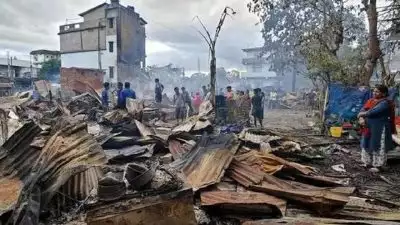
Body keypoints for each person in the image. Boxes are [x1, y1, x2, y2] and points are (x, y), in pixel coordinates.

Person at [358, 85, 396, 173]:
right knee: (366, 143)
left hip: (379, 127)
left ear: (384, 93)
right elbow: (362, 109)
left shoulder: (386, 102)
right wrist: (361, 118)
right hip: (368, 127)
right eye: (374, 91)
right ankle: (367, 162)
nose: (374, 93)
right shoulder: (370, 101)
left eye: (377, 91)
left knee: (378, 145)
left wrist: (361, 114)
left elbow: (373, 112)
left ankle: (379, 166)